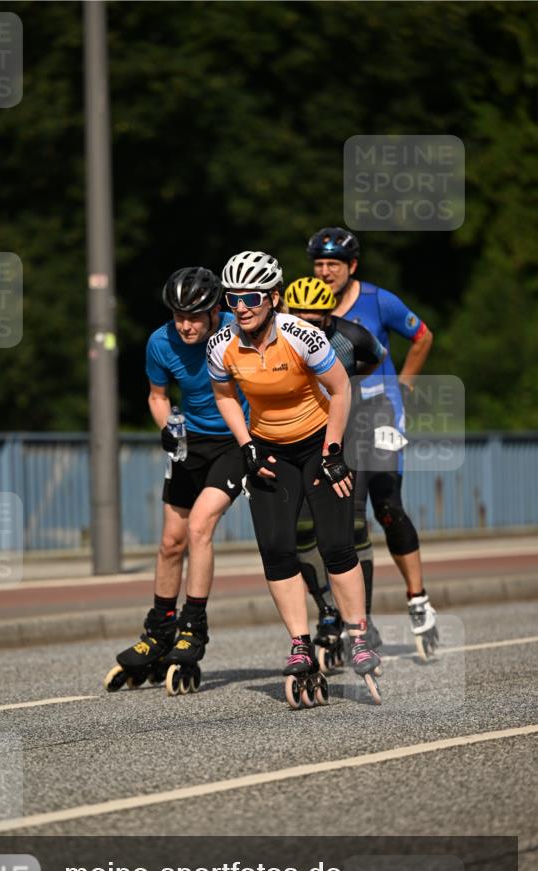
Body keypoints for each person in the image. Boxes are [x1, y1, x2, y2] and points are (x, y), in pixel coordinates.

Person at [207, 251, 382, 706]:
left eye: (251, 297)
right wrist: (246, 444)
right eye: (233, 298)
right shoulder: (221, 344)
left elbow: (341, 389)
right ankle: (300, 644)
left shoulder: (300, 335)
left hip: (320, 440)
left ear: (273, 298)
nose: (241, 306)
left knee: (335, 543)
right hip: (270, 447)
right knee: (277, 547)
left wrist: (335, 452)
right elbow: (224, 395)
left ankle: (358, 632)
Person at [104, 266, 248, 696]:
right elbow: (157, 396)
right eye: (179, 315)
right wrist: (166, 426)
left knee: (200, 525)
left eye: (196, 316)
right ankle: (160, 628)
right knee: (171, 541)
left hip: (235, 442)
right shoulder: (159, 342)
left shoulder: (238, 334)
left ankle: (193, 627)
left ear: (215, 311)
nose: (186, 325)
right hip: (191, 443)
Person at [306, 227, 438, 659]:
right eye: (320, 264)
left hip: (380, 414)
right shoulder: (306, 305)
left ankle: (417, 599)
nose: (325, 272)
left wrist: (406, 385)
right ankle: (360, 618)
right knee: (349, 519)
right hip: (338, 418)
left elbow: (422, 336)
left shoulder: (378, 300)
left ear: (352, 267)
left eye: (334, 265)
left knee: (387, 507)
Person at [283, 276, 387, 667]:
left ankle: (360, 617)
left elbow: (376, 356)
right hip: (301, 438)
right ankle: (327, 607)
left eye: (317, 319)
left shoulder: (350, 336)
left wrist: (351, 385)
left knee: (352, 526)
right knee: (301, 530)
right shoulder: (277, 335)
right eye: (300, 318)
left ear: (330, 315)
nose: (309, 326)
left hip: (345, 433)